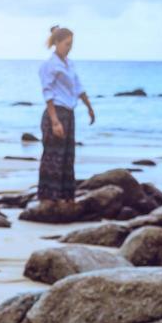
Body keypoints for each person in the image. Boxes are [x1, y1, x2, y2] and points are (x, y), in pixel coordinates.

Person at [36, 25, 95, 211]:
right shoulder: (49, 65)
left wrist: (89, 107)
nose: (69, 47)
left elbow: (78, 87)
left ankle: (66, 195)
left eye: (71, 44)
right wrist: (54, 121)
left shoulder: (70, 64)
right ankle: (48, 196)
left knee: (68, 155)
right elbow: (48, 93)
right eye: (67, 44)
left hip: (69, 113)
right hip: (56, 112)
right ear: (57, 43)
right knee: (53, 155)